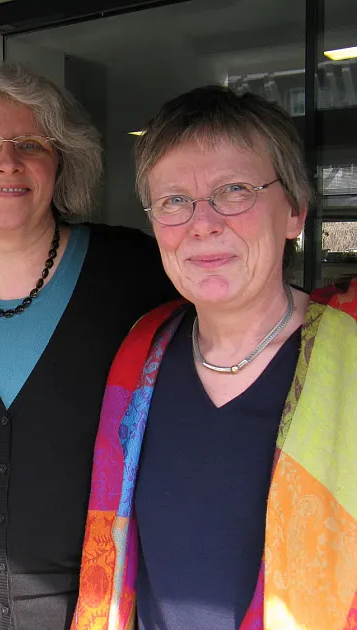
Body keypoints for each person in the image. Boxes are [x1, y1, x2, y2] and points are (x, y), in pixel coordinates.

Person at [0, 63, 176, 630]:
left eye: (31, 143)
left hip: (95, 610)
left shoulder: (134, 272)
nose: (8, 160)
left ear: (60, 163)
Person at [73, 86, 357, 630]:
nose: (202, 223)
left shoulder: (348, 367)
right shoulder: (137, 364)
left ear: (294, 211)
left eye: (234, 190)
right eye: (175, 200)